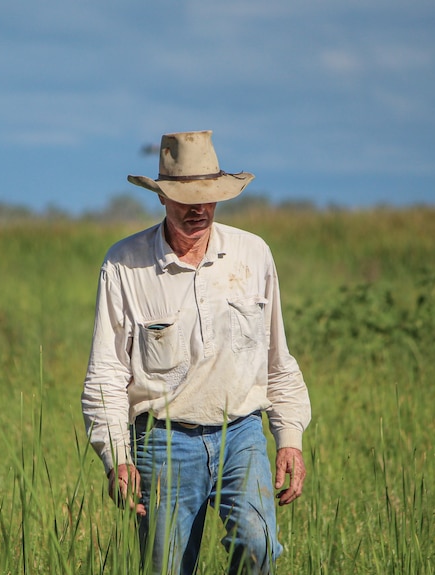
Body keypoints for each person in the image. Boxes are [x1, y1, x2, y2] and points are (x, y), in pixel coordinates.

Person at [81, 131, 311, 574]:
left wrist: (290, 438)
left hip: (241, 435)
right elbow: (105, 374)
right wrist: (117, 457)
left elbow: (277, 359)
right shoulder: (124, 264)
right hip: (162, 442)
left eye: (208, 197)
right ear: (163, 198)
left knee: (258, 544)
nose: (198, 209)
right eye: (185, 197)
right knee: (165, 568)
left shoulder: (253, 254)